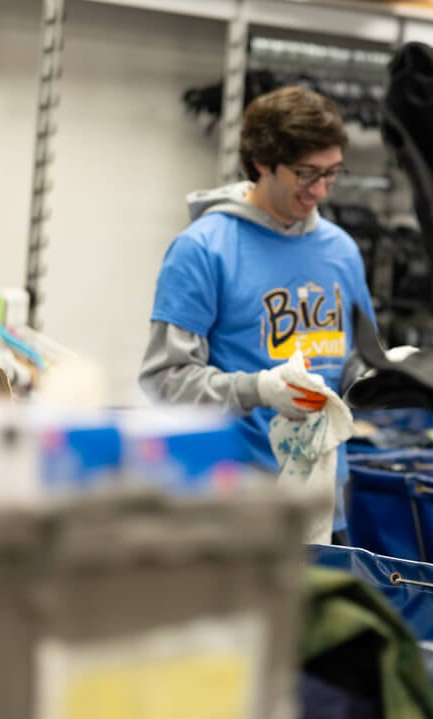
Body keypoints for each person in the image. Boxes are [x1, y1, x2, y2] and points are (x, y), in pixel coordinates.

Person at [140, 86, 375, 543]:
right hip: (232, 508)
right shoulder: (203, 249)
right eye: (306, 174)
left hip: (322, 507)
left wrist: (387, 376)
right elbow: (164, 380)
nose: (320, 190)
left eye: (332, 173)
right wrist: (260, 389)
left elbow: (354, 364)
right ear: (263, 162)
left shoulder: (342, 251)